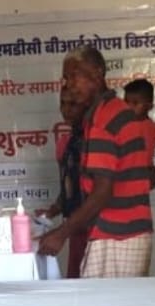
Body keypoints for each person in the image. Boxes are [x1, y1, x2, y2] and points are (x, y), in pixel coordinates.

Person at [37, 46, 154, 278]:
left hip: (118, 234)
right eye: (66, 78)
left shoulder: (104, 118)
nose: (70, 85)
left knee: (101, 301)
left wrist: (62, 233)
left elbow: (102, 192)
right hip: (123, 232)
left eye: (74, 76)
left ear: (97, 73)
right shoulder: (111, 111)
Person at [40, 88, 92, 278]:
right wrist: (51, 212)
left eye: (73, 104)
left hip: (99, 228)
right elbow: (69, 187)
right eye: (63, 104)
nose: (67, 110)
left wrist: (63, 231)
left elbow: (101, 190)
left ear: (87, 106)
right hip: (76, 227)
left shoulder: (98, 141)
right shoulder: (65, 143)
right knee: (77, 281)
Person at [123, 78, 155, 187]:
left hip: (139, 176)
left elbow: (145, 157)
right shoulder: (125, 124)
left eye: (135, 103)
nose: (129, 107)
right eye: (126, 102)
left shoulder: (147, 127)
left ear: (149, 106)